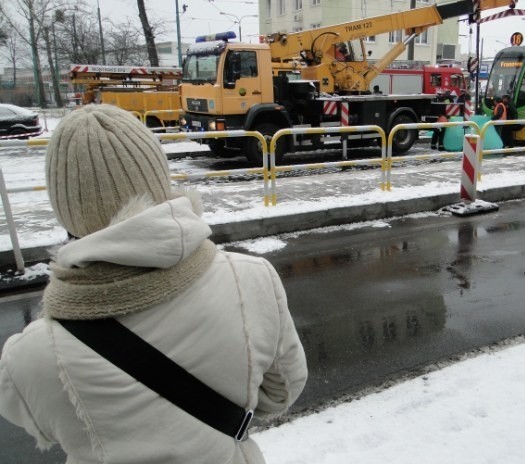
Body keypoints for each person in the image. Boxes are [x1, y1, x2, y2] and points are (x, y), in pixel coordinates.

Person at [0, 104, 308, 463]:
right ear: (158, 179)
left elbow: (41, 424)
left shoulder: (30, 356)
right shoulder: (252, 279)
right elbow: (280, 393)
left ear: (65, 206)